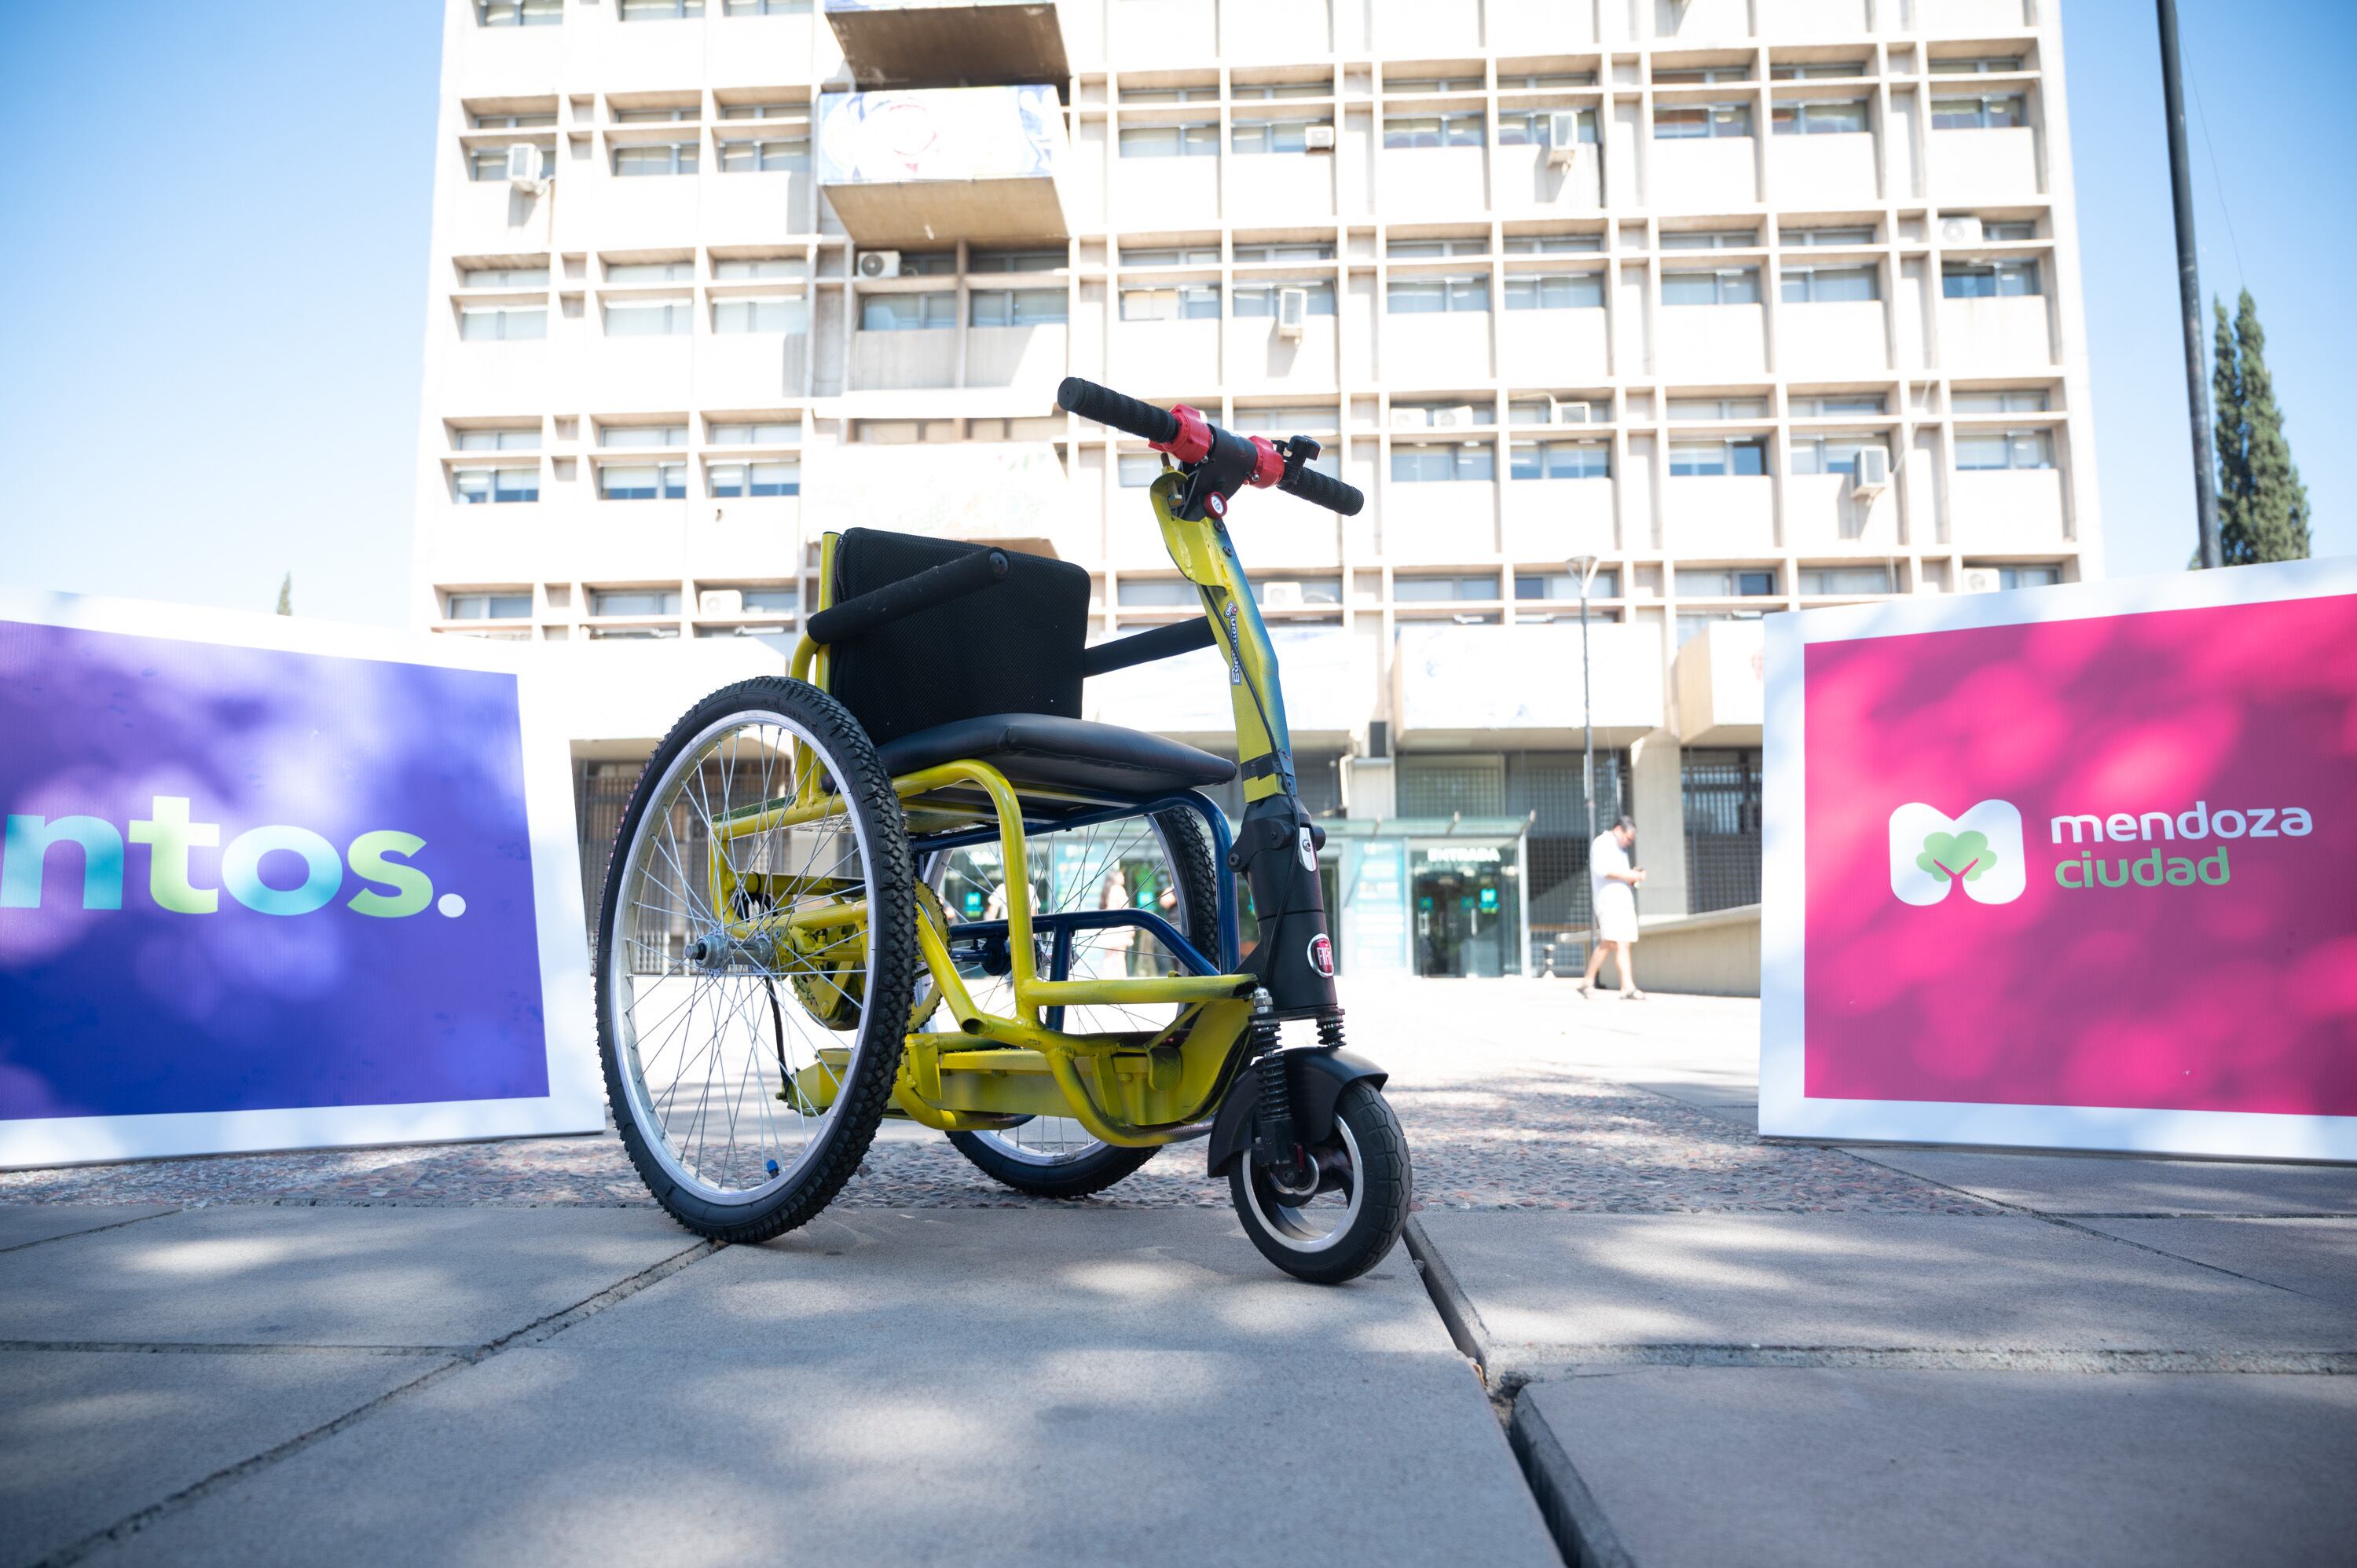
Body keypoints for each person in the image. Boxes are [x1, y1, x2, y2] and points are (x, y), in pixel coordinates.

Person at [1578, 816, 1646, 1000]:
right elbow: (1604, 870)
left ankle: (1627, 986)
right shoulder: (1602, 843)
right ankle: (1588, 980)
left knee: (1624, 942)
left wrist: (1631, 877)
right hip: (1608, 900)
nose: (1628, 842)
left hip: (1623, 899)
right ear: (1619, 829)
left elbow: (1619, 875)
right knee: (1610, 940)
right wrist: (1631, 875)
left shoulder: (1620, 850)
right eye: (1628, 838)